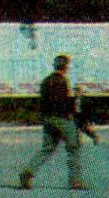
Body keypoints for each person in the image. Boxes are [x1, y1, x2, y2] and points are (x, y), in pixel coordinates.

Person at [20, 54, 88, 190]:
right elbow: (68, 104)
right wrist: (77, 96)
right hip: (62, 119)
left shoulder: (46, 81)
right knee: (74, 147)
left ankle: (28, 172)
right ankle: (75, 181)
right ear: (65, 67)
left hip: (48, 119)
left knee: (48, 148)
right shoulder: (64, 82)